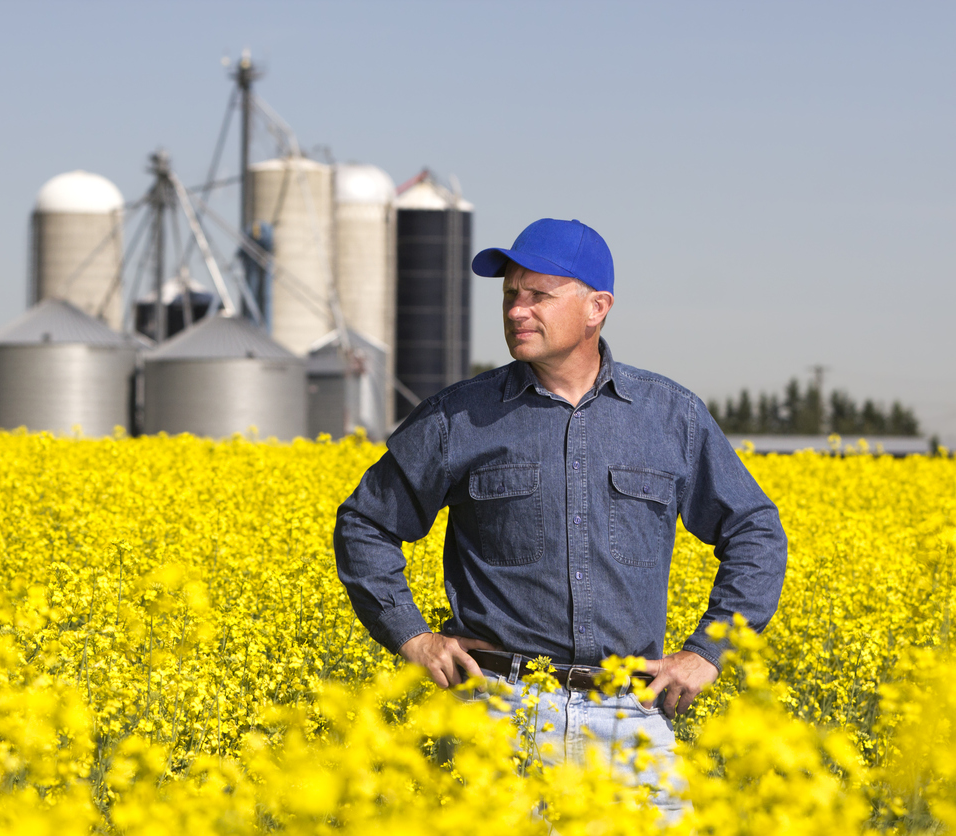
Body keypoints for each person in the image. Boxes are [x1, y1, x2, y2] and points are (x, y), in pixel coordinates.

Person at [334, 218, 787, 815]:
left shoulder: (670, 416)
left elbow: (754, 530)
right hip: (499, 716)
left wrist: (707, 650)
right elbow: (365, 523)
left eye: (538, 295)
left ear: (597, 307)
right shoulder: (457, 417)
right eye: (509, 295)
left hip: (630, 719)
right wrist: (412, 636)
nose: (517, 310)